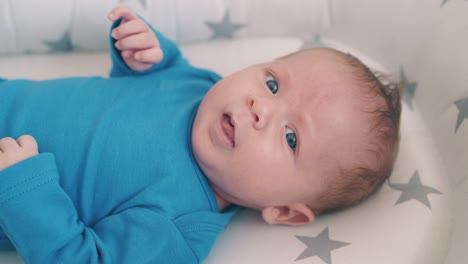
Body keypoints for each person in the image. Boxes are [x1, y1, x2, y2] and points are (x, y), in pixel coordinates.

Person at [0, 5, 401, 264]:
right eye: (273, 84)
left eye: (291, 137)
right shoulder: (203, 88)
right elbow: (157, 78)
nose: (260, 108)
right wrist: (145, 55)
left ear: (285, 211)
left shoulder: (176, 230)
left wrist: (26, 193)